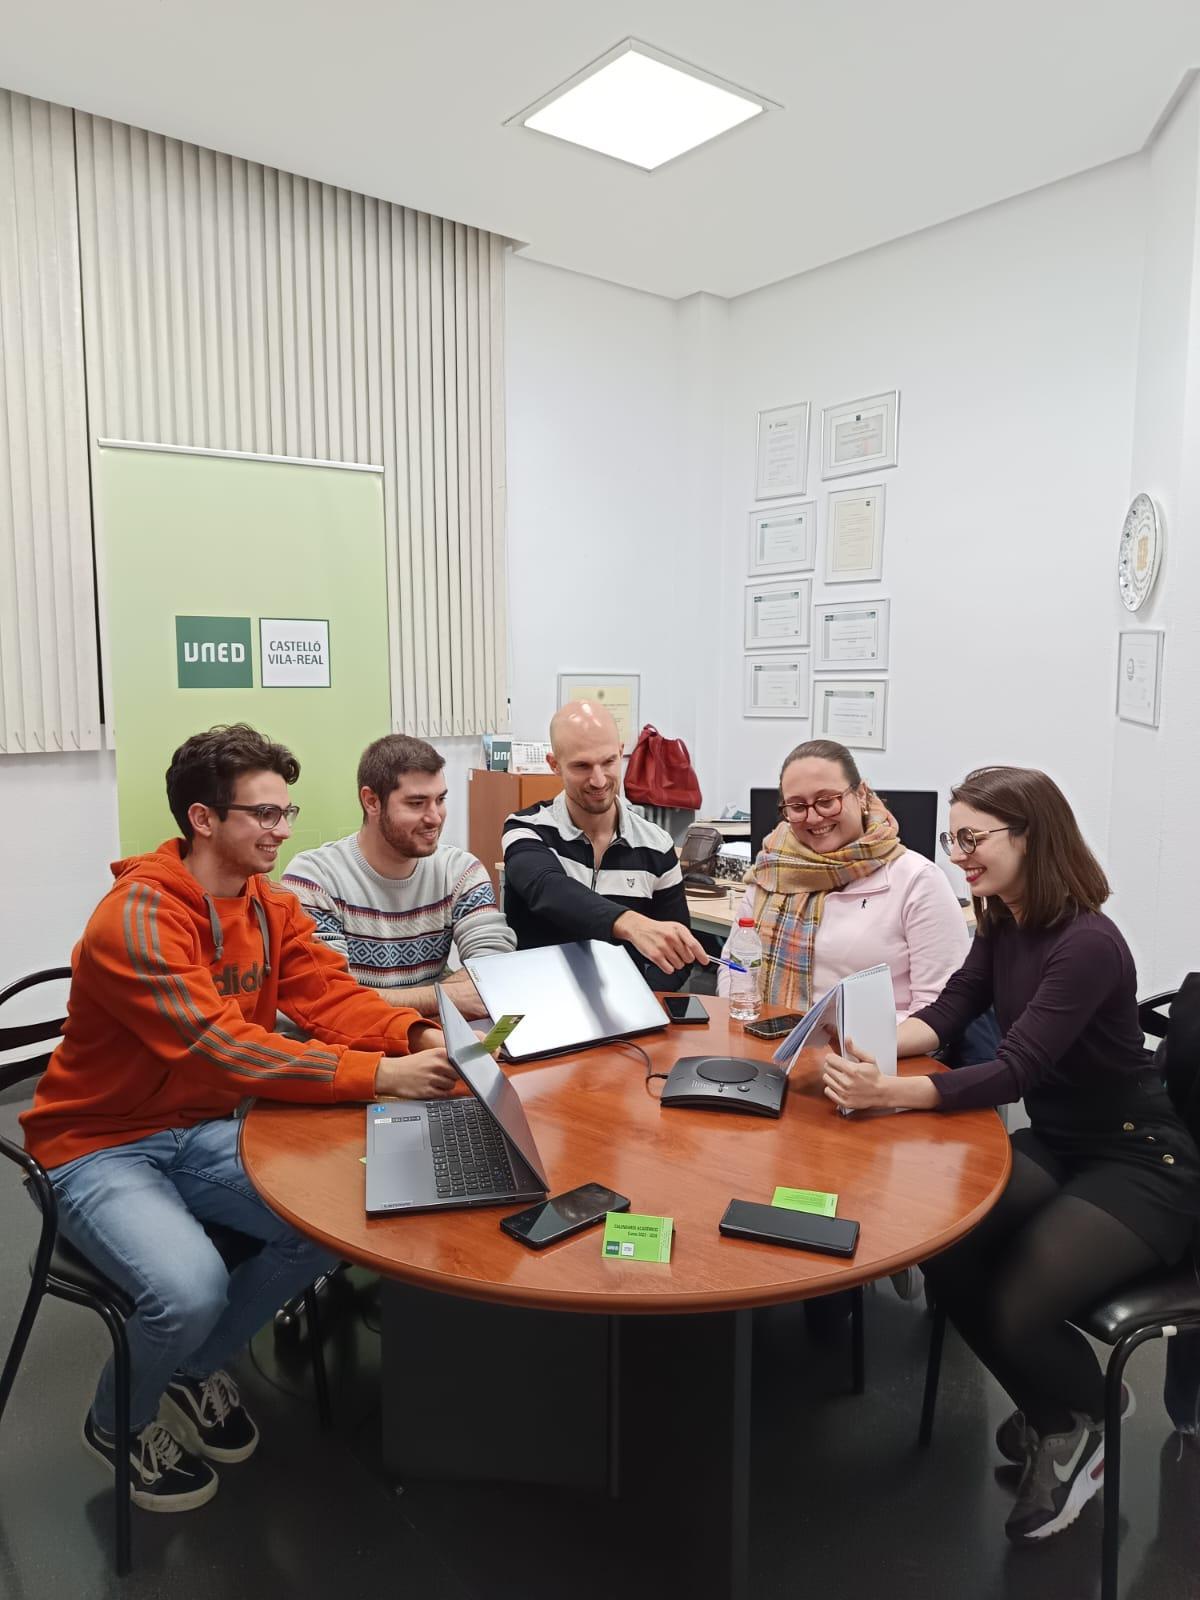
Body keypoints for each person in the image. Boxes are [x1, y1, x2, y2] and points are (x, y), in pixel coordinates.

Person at [20, 725, 457, 1514]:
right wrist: (381, 1076)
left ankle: (189, 1367)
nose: (282, 831)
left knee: (333, 1223)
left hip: (199, 1131)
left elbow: (331, 998)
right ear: (203, 819)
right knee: (188, 1289)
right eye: (263, 815)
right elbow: (225, 1052)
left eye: (285, 811)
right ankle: (119, 1418)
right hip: (98, 1147)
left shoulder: (269, 904)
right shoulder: (137, 919)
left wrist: (416, 1033)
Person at [820, 766, 1200, 1545]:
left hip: (1139, 1160)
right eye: (952, 837)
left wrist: (890, 1094)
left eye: (973, 837)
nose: (959, 853)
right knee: (947, 1247)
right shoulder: (1002, 918)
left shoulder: (1088, 942)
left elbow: (1014, 1069)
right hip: (1062, 1143)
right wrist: (865, 1047)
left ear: (1032, 836)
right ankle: (1057, 1409)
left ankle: (1081, 1422)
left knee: (1023, 1305)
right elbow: (953, 1008)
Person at [717, 739, 969, 1023]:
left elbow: (939, 1007)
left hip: (875, 1058)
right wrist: (742, 1024)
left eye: (826, 801)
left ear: (861, 794)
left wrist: (843, 1041)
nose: (813, 817)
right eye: (797, 806)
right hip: (766, 1041)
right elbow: (734, 964)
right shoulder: (773, 868)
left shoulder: (917, 879)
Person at [282, 733, 514, 1021]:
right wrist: (446, 996)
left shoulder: (460, 871)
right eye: (416, 804)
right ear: (371, 801)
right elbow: (330, 999)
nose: (435, 817)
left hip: (435, 1041)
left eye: (440, 799)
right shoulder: (314, 879)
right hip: (355, 1049)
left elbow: (495, 971)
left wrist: (380, 1000)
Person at [501, 701, 708, 991]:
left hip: (626, 1011)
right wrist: (631, 924)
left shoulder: (656, 846)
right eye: (582, 766)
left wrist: (642, 997)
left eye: (609, 762)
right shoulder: (526, 829)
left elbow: (677, 954)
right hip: (541, 1001)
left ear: (621, 752)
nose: (598, 780)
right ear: (554, 765)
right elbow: (548, 888)